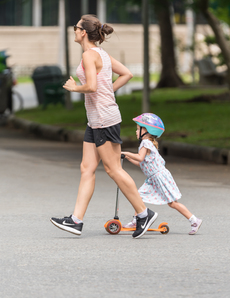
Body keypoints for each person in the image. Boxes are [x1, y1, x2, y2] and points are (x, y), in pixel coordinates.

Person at [50, 15, 158, 239]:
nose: (74, 30)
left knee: (113, 169)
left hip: (103, 120)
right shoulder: (101, 54)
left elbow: (90, 86)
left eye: (76, 27)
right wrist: (108, 92)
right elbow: (126, 74)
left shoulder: (89, 55)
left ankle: (143, 213)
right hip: (96, 119)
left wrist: (74, 88)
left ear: (82, 33)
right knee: (86, 168)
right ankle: (76, 221)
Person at [121, 113, 203, 235]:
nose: (136, 131)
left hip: (160, 177)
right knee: (137, 197)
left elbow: (139, 157)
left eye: (138, 129)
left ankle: (194, 220)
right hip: (152, 178)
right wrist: (128, 157)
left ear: (147, 131)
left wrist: (126, 152)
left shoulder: (146, 143)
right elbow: (142, 163)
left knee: (172, 203)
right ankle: (136, 220)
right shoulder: (146, 143)